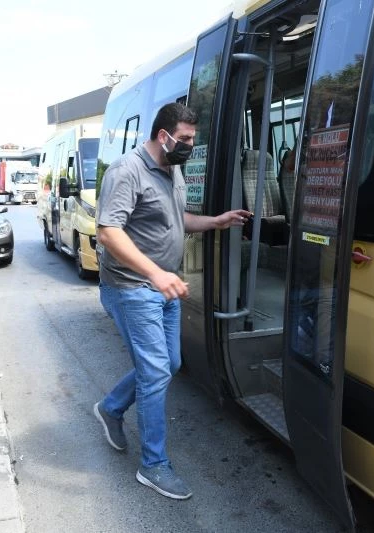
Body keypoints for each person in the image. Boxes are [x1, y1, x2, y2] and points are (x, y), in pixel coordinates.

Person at [92, 102, 252, 500]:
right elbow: (109, 231)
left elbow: (178, 220)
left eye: (193, 140)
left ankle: (111, 407)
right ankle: (153, 465)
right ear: (163, 136)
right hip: (132, 287)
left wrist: (215, 222)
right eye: (185, 139)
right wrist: (155, 273)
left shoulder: (172, 169)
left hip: (163, 286)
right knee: (154, 372)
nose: (190, 146)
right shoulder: (127, 171)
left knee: (170, 364)